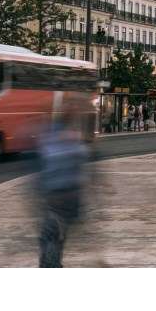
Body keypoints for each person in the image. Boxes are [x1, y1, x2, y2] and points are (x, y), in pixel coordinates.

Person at [34, 109, 91, 267]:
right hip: (71, 197)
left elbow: (41, 170)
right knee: (59, 233)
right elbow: (83, 169)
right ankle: (54, 262)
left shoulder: (48, 143)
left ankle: (49, 263)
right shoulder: (76, 145)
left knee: (50, 233)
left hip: (53, 196)